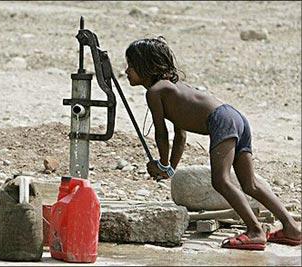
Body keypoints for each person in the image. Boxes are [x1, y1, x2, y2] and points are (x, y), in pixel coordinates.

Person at [124, 37, 301, 250]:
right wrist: (171, 167)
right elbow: (180, 136)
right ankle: (291, 227)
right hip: (235, 117)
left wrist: (161, 164)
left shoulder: (155, 92)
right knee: (250, 183)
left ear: (146, 67)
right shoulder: (173, 88)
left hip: (221, 121)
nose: (126, 71)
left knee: (221, 180)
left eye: (131, 66)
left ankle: (255, 231)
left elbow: (161, 134)